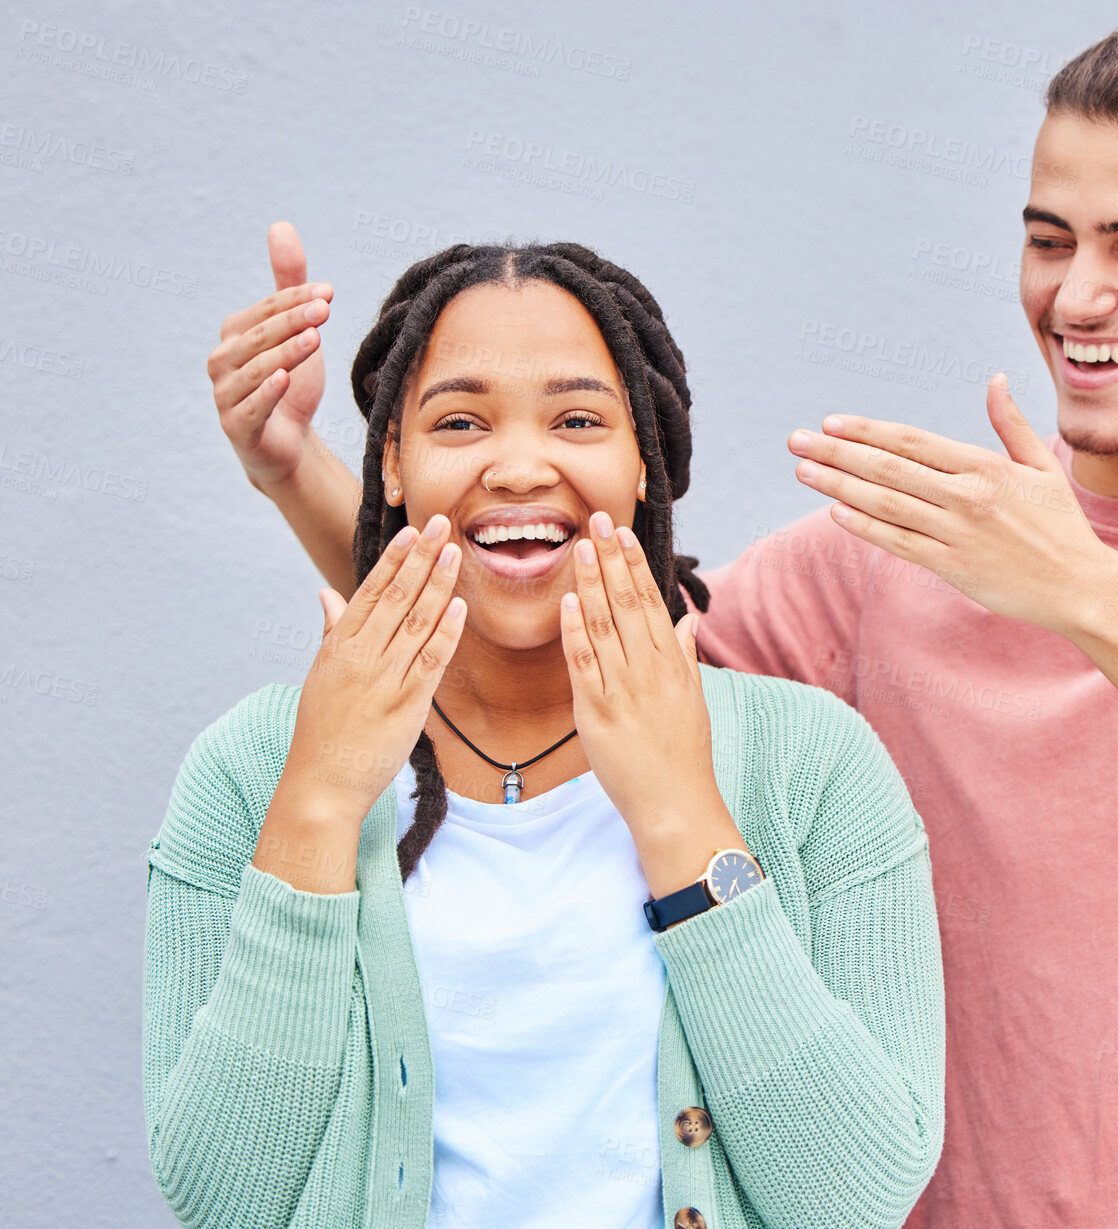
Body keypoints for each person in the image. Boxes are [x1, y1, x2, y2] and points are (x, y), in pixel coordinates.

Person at [207, 18, 1118, 1227]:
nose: (1077, 297)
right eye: (1047, 238)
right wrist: (299, 472)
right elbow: (548, 653)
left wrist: (1089, 593)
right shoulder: (889, 555)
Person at [146, 241, 944, 1229]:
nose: (520, 465)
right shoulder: (253, 766)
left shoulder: (813, 764)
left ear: (644, 458)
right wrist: (317, 800)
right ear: (391, 462)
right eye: (459, 421)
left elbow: (854, 1198)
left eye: (577, 419)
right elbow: (224, 1198)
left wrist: (679, 813)